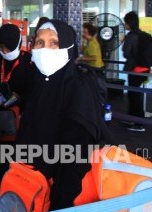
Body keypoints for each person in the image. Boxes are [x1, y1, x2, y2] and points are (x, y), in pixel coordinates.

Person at [16, 20, 110, 210]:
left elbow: (77, 156)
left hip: (58, 195)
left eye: (54, 43)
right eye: (40, 43)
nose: (45, 49)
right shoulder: (40, 82)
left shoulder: (78, 87)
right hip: (31, 186)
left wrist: (59, 202)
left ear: (68, 48)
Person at [0, 23, 36, 211]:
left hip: (18, 127)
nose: (4, 51)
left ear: (17, 44)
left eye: (8, 48)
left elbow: (35, 93)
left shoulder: (30, 63)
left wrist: (19, 100)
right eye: (1, 47)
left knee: (13, 169)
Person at [122, 11, 146, 132]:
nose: (124, 24)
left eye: (125, 22)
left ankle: (139, 123)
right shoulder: (141, 34)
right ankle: (133, 118)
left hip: (134, 68)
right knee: (136, 94)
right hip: (143, 68)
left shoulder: (131, 36)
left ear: (129, 23)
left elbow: (126, 53)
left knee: (134, 95)